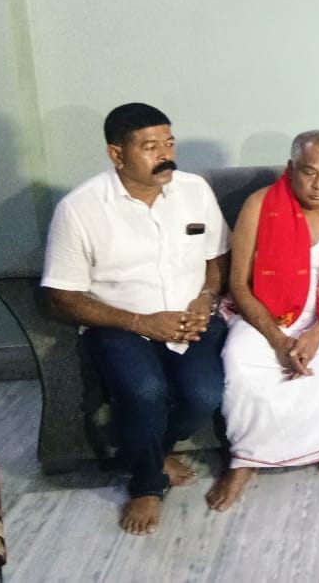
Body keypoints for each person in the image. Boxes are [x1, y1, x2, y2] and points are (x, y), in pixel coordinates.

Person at [42, 103, 229, 535]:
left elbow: (217, 256)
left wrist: (205, 298)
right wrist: (142, 323)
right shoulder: (80, 209)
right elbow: (60, 297)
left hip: (190, 319)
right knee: (145, 391)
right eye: (149, 146)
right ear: (117, 154)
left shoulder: (194, 190)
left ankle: (152, 451)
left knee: (205, 394)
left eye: (169, 143)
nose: (165, 155)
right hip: (120, 325)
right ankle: (146, 483)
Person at [206, 131, 319, 510]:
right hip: (267, 314)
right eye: (309, 172)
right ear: (291, 169)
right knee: (241, 359)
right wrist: (278, 340)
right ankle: (246, 459)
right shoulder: (259, 206)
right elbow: (238, 284)